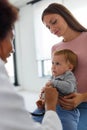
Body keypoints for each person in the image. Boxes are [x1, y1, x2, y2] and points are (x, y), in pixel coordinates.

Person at [0, 1, 63, 130]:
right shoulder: (55, 48)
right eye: (11, 39)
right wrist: (50, 105)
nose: (13, 49)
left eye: (54, 22)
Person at [41, 3, 87, 130]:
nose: (51, 29)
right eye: (48, 27)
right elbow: (56, 76)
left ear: (66, 16)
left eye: (54, 22)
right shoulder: (55, 48)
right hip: (59, 103)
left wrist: (82, 97)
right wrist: (47, 89)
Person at [32, 49, 80, 130]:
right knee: (33, 121)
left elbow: (69, 88)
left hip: (65, 109)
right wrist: (42, 100)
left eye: (57, 64)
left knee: (67, 125)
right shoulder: (54, 77)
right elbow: (49, 94)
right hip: (48, 107)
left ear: (69, 67)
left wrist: (53, 83)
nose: (53, 66)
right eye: (52, 63)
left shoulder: (68, 75)